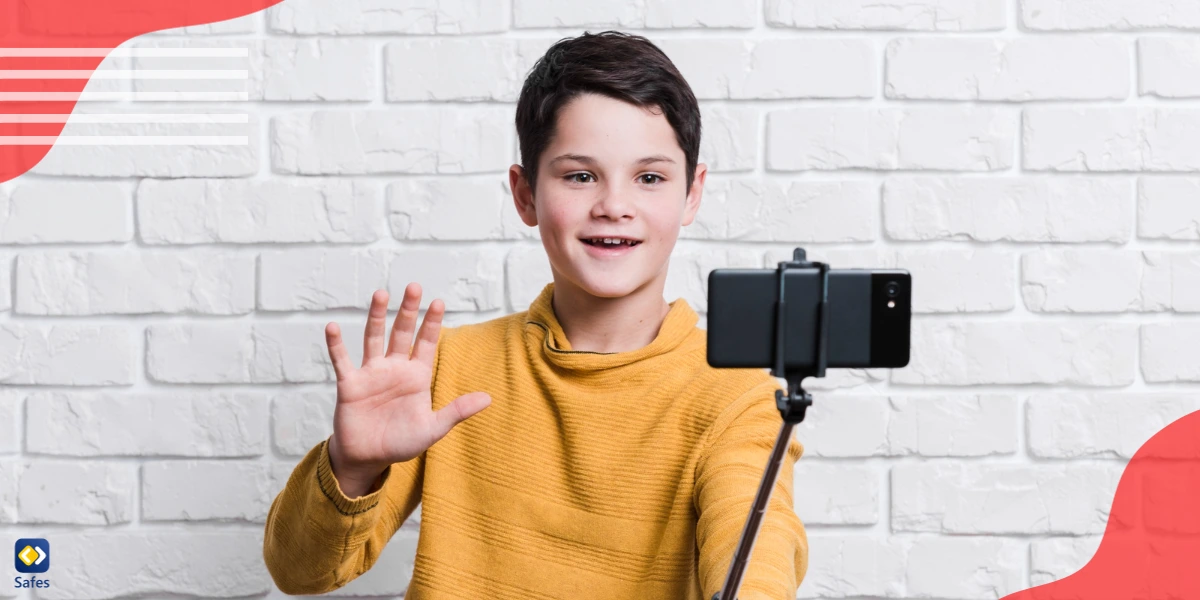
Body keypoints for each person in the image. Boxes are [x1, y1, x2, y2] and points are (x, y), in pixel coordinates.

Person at [262, 30, 808, 599]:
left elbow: (758, 552)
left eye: (649, 178)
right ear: (524, 195)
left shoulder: (738, 398)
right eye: (579, 175)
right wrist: (350, 467)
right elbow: (301, 573)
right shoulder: (448, 370)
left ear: (692, 194)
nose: (614, 206)